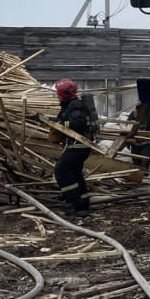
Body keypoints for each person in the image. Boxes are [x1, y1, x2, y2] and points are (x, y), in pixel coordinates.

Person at [52, 79, 92, 217]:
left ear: (64, 93)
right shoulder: (71, 105)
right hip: (79, 146)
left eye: (58, 93)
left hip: (78, 145)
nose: (57, 96)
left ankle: (73, 203)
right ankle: (82, 204)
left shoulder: (75, 105)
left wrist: (61, 123)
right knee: (74, 172)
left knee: (61, 170)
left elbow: (79, 123)